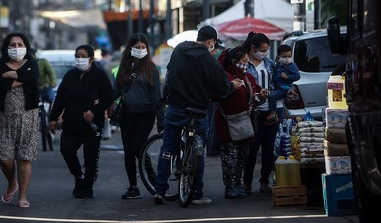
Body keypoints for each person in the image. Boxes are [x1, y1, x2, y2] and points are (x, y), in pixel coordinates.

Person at [153, 25, 243, 205]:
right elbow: (222, 87)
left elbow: (170, 72)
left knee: (168, 149)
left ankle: (159, 190)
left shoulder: (179, 50)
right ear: (211, 42)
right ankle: (196, 194)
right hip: (198, 112)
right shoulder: (208, 60)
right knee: (197, 150)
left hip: (175, 107)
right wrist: (234, 85)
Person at [48, 45, 116, 199]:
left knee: (90, 157)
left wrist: (94, 111)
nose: (80, 59)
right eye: (77, 56)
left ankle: (87, 187)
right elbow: (59, 98)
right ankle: (79, 176)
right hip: (71, 123)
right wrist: (53, 118)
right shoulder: (69, 75)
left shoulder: (99, 76)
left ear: (91, 59)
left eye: (83, 56)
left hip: (92, 125)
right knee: (66, 149)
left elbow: (109, 96)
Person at [0, 32, 40, 208]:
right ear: (6, 47)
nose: (16, 48)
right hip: (4, 119)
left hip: (28, 117)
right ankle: (12, 182)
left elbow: (33, 78)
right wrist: (22, 77)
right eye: (12, 45)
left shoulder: (32, 64)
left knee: (24, 158)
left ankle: (23, 196)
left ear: (26, 46)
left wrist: (12, 75)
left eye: (20, 44)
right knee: (5, 158)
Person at [113, 34, 164, 200]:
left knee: (138, 146)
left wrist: (161, 120)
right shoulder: (124, 68)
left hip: (145, 114)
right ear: (130, 49)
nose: (140, 50)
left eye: (143, 47)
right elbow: (115, 90)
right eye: (137, 47)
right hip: (127, 115)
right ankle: (133, 187)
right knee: (128, 150)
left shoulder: (151, 68)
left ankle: (152, 177)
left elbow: (157, 96)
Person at [213, 46, 261, 199]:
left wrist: (262, 95)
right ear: (234, 61)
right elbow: (217, 94)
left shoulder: (247, 77)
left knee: (243, 156)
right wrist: (232, 87)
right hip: (228, 124)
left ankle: (238, 184)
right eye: (244, 61)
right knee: (230, 158)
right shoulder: (224, 77)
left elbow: (255, 92)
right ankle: (230, 187)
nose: (246, 64)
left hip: (245, 123)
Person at [241, 32, 277, 195]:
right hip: (252, 112)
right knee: (252, 149)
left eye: (266, 50)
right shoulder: (244, 64)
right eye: (262, 50)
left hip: (269, 111)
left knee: (269, 149)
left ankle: (264, 182)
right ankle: (246, 182)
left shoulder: (269, 63)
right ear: (253, 48)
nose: (264, 53)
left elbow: (276, 83)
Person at [265, 44, 300, 125]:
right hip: (276, 87)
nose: (287, 59)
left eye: (289, 56)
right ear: (279, 56)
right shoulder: (277, 64)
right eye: (284, 57)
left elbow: (297, 76)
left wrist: (287, 76)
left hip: (284, 88)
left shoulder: (292, 66)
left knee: (272, 97)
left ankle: (273, 114)